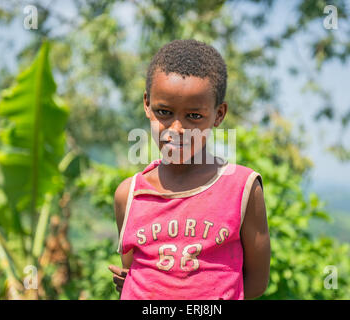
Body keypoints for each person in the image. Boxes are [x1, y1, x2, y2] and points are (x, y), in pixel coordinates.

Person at [108, 39, 270, 300]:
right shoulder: (129, 194)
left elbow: (257, 281)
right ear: (147, 105)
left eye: (194, 116)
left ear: (218, 115)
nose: (177, 130)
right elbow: (135, 269)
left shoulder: (243, 189)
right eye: (164, 112)